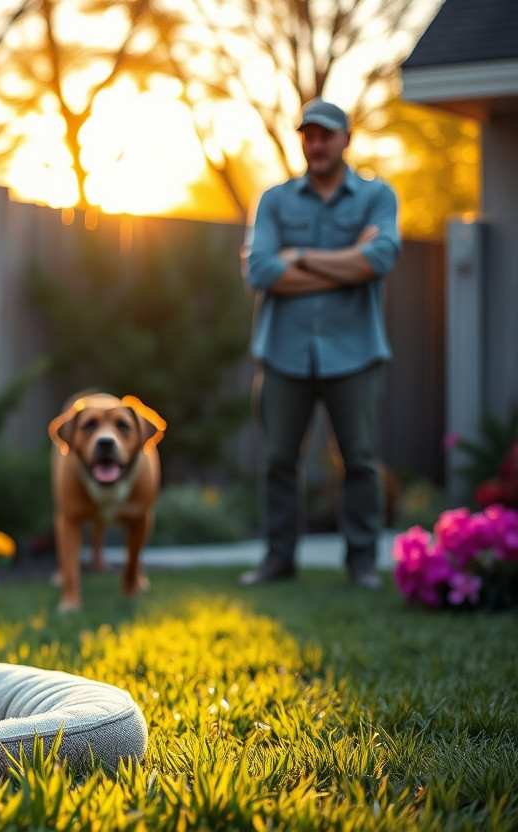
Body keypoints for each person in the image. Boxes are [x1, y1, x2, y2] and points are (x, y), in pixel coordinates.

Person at [238, 99, 402, 589]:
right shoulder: (274, 200)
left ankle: (362, 563)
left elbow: (381, 259)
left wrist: (302, 256)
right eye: (308, 135)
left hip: (356, 353)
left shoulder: (377, 197)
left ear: (346, 139)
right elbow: (260, 270)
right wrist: (347, 263)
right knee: (279, 462)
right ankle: (278, 559)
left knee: (360, 461)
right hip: (283, 352)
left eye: (326, 135)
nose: (316, 144)